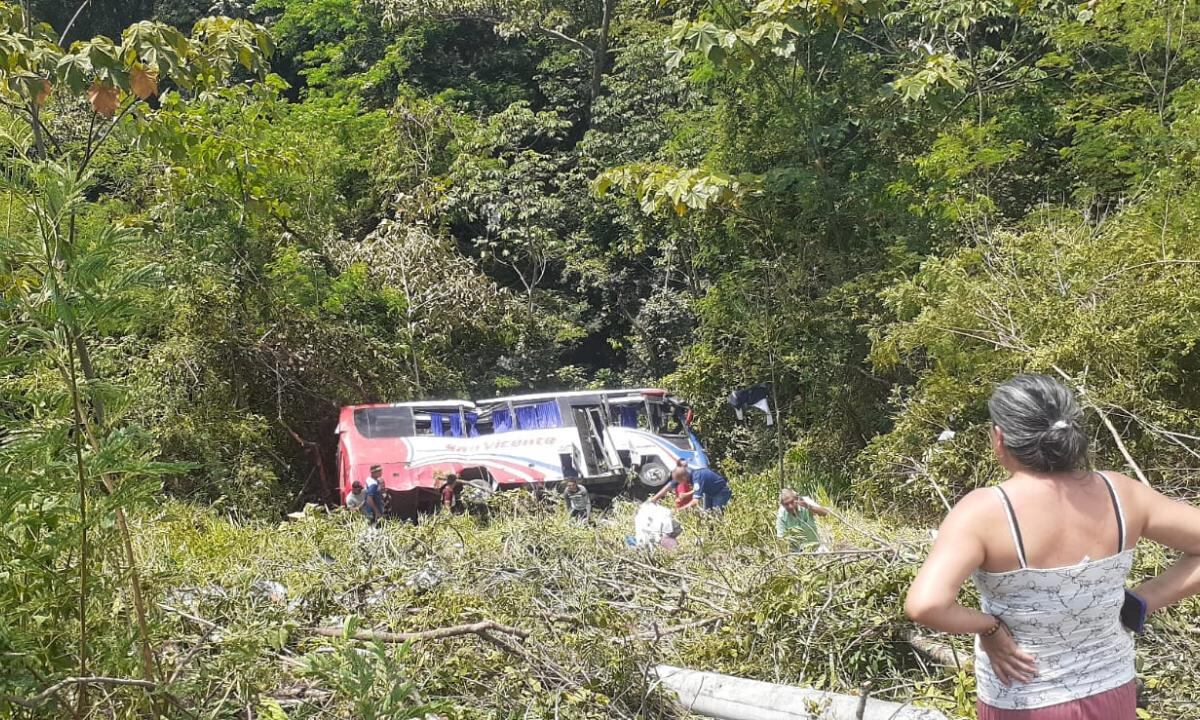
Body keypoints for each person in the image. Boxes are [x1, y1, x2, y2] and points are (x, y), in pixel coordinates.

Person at [905, 374, 1200, 719]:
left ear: (999, 438)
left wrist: (990, 627)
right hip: (1112, 690)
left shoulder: (984, 511)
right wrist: (1140, 601)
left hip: (1023, 700)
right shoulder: (1122, 494)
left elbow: (926, 605)